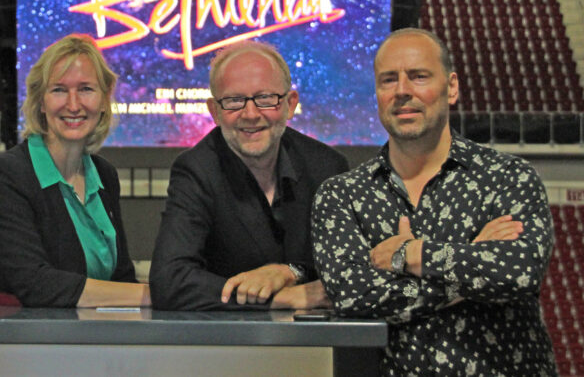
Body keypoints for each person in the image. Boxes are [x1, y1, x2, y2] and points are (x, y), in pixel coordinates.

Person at [312, 28, 556, 375]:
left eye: (418, 76)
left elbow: (519, 272)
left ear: (451, 87)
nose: (402, 92)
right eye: (388, 80)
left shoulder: (508, 177)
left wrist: (410, 254)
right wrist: (472, 262)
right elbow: (352, 296)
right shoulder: (342, 195)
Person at [149, 41, 349, 311]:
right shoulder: (195, 170)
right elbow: (169, 282)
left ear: (290, 105)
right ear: (215, 112)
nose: (251, 114)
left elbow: (351, 267)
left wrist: (291, 272)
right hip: (228, 344)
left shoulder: (328, 167)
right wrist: (278, 299)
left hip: (321, 344)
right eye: (234, 101)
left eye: (265, 98)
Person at [0, 35, 149, 307]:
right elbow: (35, 284)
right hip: (31, 343)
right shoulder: (4, 176)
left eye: (86, 89)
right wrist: (149, 295)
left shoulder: (104, 175)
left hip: (100, 340)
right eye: (58, 90)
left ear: (104, 100)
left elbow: (121, 276)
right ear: (41, 102)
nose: (73, 104)